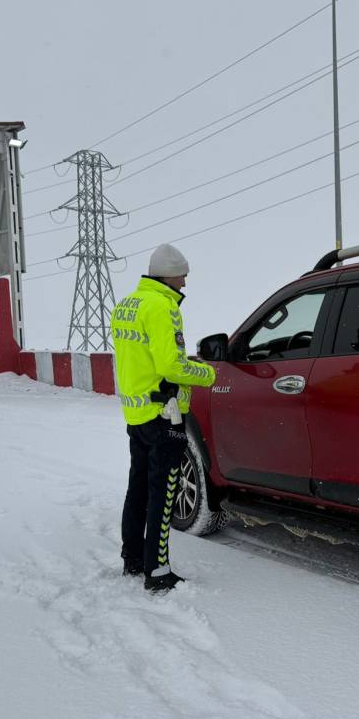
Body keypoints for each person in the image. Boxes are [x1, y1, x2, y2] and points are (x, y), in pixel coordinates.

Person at [110, 244, 216, 592]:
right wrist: (207, 373)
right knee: (163, 494)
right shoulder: (163, 306)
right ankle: (157, 572)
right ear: (168, 273)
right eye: (182, 274)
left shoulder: (128, 304)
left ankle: (133, 559)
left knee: (137, 488)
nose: (185, 281)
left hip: (137, 413)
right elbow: (171, 365)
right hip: (163, 413)